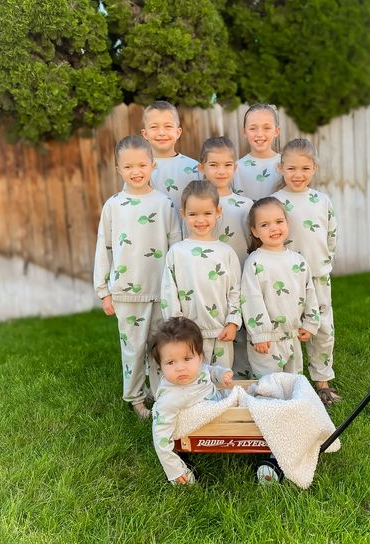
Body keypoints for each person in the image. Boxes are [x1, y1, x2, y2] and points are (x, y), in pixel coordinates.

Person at [93, 135, 181, 419]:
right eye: (128, 166)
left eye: (142, 165)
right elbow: (103, 248)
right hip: (126, 292)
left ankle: (161, 393)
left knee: (160, 345)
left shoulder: (165, 204)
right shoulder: (114, 206)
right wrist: (103, 291)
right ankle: (136, 398)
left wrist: (178, 288)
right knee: (133, 348)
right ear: (118, 169)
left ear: (152, 165)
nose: (136, 171)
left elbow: (176, 248)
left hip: (160, 290)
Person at [272, 138, 341, 406]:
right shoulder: (275, 201)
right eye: (291, 169)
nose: (297, 175)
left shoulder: (322, 201)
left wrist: (324, 262)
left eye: (304, 168)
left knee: (322, 328)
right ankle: (287, 380)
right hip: (286, 278)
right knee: (287, 328)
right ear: (281, 169)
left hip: (317, 275)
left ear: (314, 168)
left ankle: (322, 380)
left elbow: (331, 236)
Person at [161, 180, 242, 369]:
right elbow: (169, 292)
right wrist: (177, 326)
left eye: (207, 213)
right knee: (192, 376)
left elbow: (236, 290)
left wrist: (232, 322)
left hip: (221, 330)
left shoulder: (226, 252)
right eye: (193, 214)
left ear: (218, 212)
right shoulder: (177, 252)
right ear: (183, 214)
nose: (200, 220)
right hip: (188, 332)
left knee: (222, 377)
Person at [241, 197, 320, 379]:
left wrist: (310, 323)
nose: (274, 228)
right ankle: (268, 408)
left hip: (292, 335)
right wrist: (260, 334)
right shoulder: (255, 262)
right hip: (267, 340)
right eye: (265, 225)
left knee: (294, 382)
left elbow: (310, 293)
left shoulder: (298, 261)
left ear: (287, 223)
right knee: (269, 384)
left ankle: (292, 408)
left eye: (279, 221)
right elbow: (251, 299)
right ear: (255, 231)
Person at [151, 317, 233, 485]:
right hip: (208, 423)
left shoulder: (198, 370)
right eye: (171, 362)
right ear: (161, 365)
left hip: (221, 406)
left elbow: (207, 371)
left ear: (199, 357)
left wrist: (220, 374)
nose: (180, 367)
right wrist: (173, 469)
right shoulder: (169, 400)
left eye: (187, 359)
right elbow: (161, 437)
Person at [198, 136, 253, 267]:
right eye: (213, 165)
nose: (221, 171)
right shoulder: (196, 204)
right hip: (205, 274)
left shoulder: (246, 206)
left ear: (235, 168)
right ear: (201, 168)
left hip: (240, 274)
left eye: (227, 165)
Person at [140, 100, 199, 215]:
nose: (161, 132)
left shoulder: (194, 168)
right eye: (154, 127)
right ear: (145, 134)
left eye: (168, 126)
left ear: (178, 132)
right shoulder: (139, 169)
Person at [233, 103, 281, 201]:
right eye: (253, 128)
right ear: (244, 132)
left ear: (276, 131)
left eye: (267, 128)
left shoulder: (286, 165)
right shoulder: (236, 169)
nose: (259, 134)